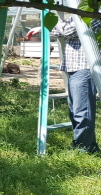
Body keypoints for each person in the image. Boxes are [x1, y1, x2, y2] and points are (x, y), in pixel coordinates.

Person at [28, 15, 101, 153]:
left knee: (82, 112)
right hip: (74, 66)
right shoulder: (78, 13)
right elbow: (62, 31)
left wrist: (51, 23)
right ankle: (90, 146)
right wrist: (47, 27)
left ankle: (82, 148)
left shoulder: (93, 12)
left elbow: (69, 30)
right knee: (76, 110)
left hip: (85, 67)